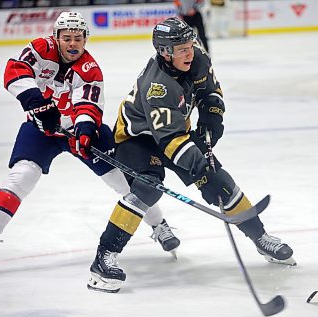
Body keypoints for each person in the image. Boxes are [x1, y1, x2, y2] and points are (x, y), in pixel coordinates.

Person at [87, 17, 296, 293]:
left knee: (219, 182)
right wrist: (199, 166)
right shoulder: (157, 86)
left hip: (175, 131)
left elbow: (211, 91)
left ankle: (261, 238)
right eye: (182, 48)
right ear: (165, 52)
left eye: (190, 45)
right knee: (147, 189)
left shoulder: (197, 57)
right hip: (138, 139)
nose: (190, 52)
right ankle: (103, 259)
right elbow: (170, 140)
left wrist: (212, 115)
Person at [0, 12, 180, 277]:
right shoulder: (39, 49)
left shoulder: (90, 68)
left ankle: (159, 225)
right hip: (41, 130)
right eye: (66, 38)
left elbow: (88, 105)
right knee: (21, 177)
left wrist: (84, 130)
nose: (72, 44)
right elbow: (15, 71)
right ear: (56, 37)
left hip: (81, 132)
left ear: (85, 39)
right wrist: (37, 102)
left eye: (78, 39)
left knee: (124, 182)